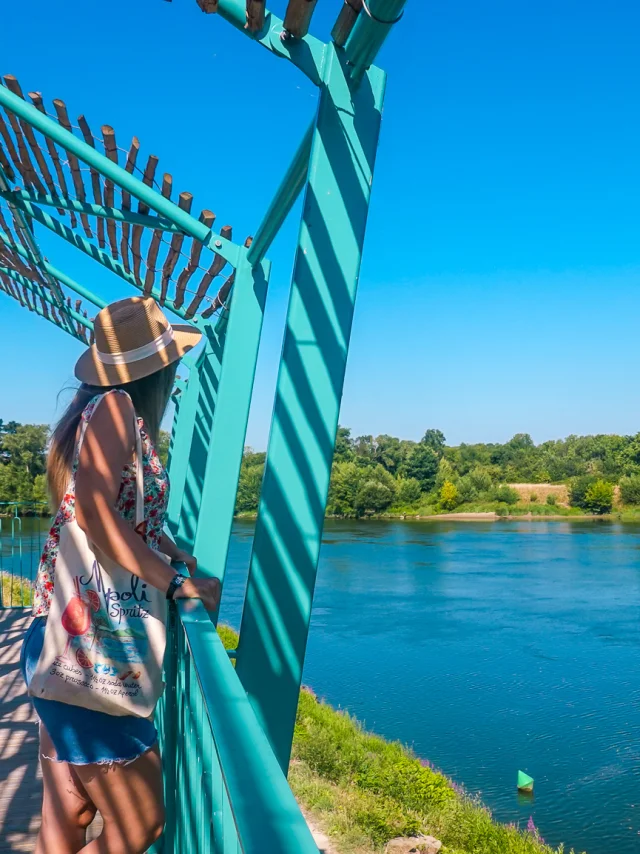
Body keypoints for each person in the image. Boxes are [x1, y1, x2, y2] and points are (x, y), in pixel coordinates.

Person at [20, 296, 220, 854]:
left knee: (70, 813)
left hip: (61, 638)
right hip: (90, 653)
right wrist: (174, 584)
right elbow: (94, 512)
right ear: (160, 367)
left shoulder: (94, 413)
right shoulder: (115, 411)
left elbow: (120, 512)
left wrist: (165, 543)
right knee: (140, 825)